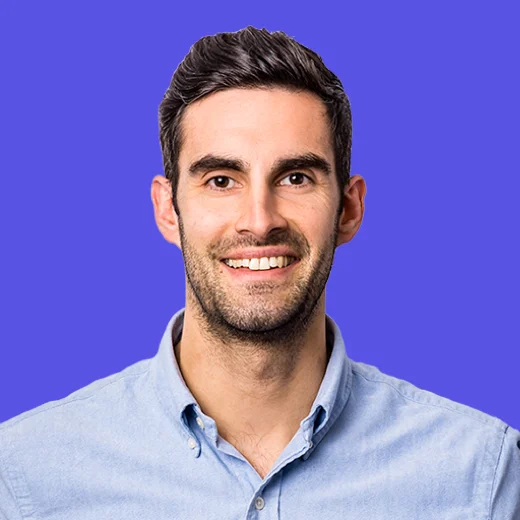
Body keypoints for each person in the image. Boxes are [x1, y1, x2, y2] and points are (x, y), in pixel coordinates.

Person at [0, 26, 518, 519]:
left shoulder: (479, 475)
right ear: (167, 210)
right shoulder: (27, 479)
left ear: (348, 209)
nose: (259, 220)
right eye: (221, 180)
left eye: (296, 177)